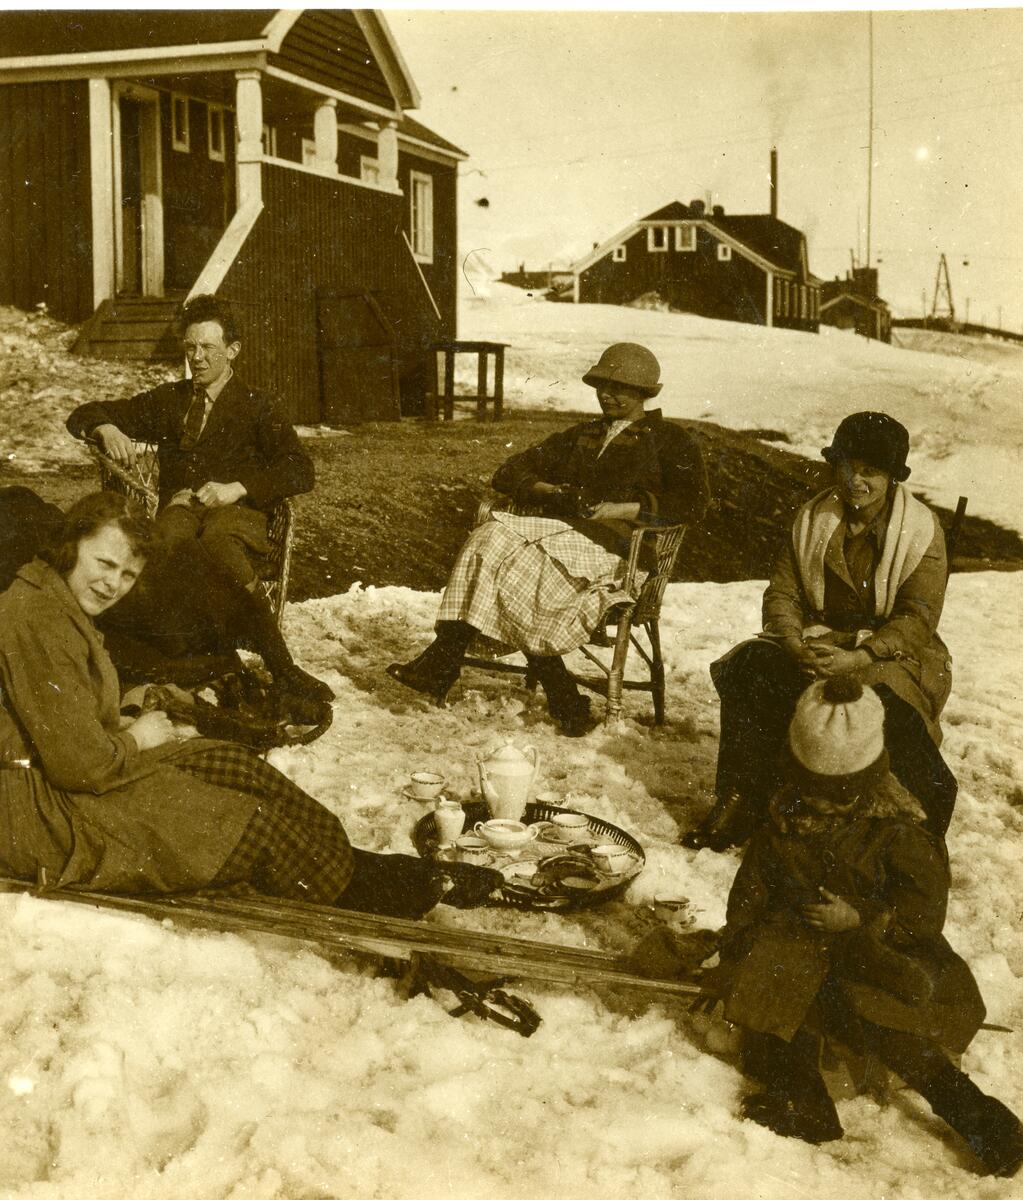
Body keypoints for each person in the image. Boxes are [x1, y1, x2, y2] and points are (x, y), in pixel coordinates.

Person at [0, 493, 498, 918]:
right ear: (71, 547)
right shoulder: (37, 618)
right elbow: (79, 763)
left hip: (66, 775)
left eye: (128, 574)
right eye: (104, 564)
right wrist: (137, 737)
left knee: (232, 764)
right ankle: (374, 894)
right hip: (40, 814)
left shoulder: (56, 601)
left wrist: (126, 713)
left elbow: (68, 720)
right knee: (246, 824)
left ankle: (357, 866)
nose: (113, 584)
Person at [707, 678, 1022, 1176]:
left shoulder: (898, 830)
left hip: (875, 958)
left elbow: (922, 913)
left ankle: (984, 1121)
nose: (820, 806)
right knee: (770, 1014)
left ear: (865, 784)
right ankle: (804, 1103)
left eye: (836, 795)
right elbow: (753, 887)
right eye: (810, 791)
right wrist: (740, 943)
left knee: (895, 1032)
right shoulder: (784, 817)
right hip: (795, 952)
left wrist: (862, 917)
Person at [386, 343, 709, 735]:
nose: (607, 395)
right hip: (554, 539)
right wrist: (552, 494)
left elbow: (691, 504)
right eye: (601, 386)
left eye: (620, 388)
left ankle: (453, 666)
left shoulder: (669, 440)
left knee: (521, 567)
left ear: (644, 393)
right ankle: (552, 695)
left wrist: (618, 508)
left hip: (619, 551)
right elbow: (509, 472)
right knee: (489, 537)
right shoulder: (583, 435)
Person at [685, 411, 956, 851]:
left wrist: (862, 655)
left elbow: (918, 616)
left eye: (870, 471)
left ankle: (910, 831)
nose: (855, 481)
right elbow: (784, 591)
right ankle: (742, 799)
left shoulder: (920, 530)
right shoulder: (814, 519)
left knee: (886, 705)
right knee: (751, 666)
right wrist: (791, 640)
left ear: (892, 477)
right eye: (846, 466)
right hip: (817, 639)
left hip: (893, 651)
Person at [65, 294, 314, 590]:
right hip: (181, 511)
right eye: (190, 347)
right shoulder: (170, 400)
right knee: (164, 546)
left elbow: (299, 468)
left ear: (232, 350)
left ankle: (255, 620)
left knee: (217, 544)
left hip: (238, 515)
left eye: (207, 347)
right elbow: (83, 413)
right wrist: (104, 427)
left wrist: (237, 488)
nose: (196, 357)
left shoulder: (259, 405)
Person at [0, 485, 331, 702]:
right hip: (48, 564)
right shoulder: (43, 599)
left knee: (187, 561)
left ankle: (282, 667)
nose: (113, 583)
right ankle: (251, 665)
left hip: (49, 530)